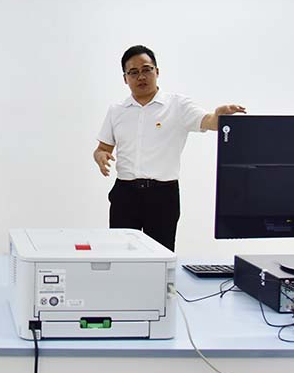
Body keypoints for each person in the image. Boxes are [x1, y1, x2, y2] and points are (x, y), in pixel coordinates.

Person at [93, 45, 246, 251]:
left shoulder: (178, 105)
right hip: (125, 194)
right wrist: (101, 156)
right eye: (133, 72)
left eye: (146, 69)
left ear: (157, 71)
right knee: (121, 256)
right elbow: (103, 148)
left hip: (162, 196)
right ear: (125, 78)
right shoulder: (116, 111)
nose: (141, 77)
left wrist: (219, 117)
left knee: (160, 256)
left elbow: (208, 121)